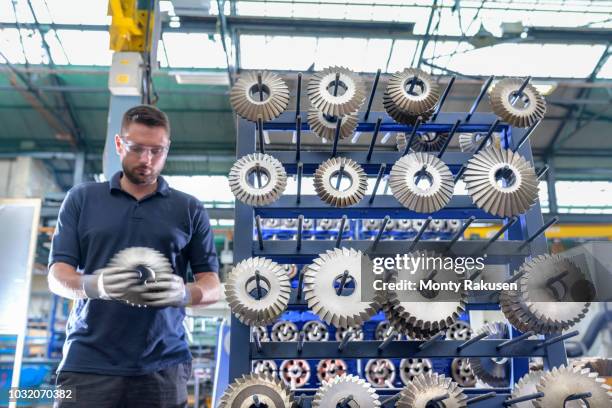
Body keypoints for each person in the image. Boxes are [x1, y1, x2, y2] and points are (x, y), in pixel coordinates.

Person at [48, 105, 221, 408]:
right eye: (137, 148)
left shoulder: (189, 209)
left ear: (167, 149)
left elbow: (213, 285)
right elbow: (57, 277)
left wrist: (183, 292)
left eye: (157, 151)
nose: (146, 160)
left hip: (163, 366)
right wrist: (95, 285)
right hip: (87, 362)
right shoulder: (82, 199)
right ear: (119, 144)